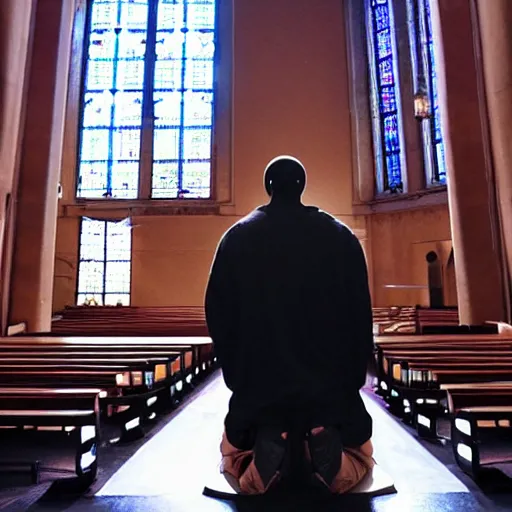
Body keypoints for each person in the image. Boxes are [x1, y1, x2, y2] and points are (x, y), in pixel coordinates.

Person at [205, 156, 374, 495]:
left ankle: (258, 464)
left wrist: (238, 376)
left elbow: (218, 315)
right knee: (363, 460)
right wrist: (352, 380)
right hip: (330, 395)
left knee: (230, 459)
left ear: (268, 187)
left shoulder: (236, 238)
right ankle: (331, 458)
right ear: (303, 187)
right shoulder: (341, 238)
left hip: (259, 395)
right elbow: (360, 317)